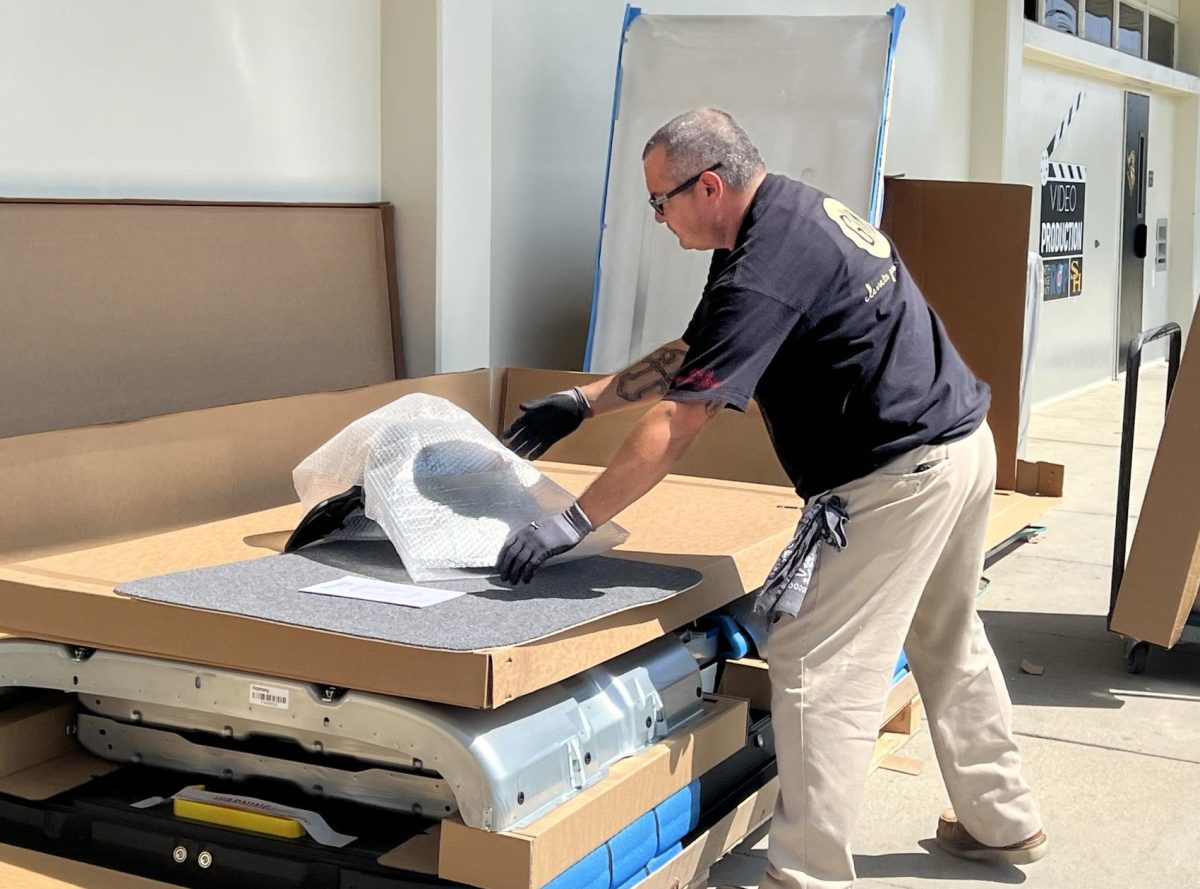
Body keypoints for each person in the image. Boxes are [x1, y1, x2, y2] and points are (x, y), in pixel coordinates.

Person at [497, 108, 1046, 887]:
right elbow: (697, 355)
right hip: (958, 446)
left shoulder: (763, 266)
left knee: (815, 665)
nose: (657, 218)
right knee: (947, 636)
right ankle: (1004, 818)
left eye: (661, 201)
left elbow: (678, 422)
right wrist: (583, 401)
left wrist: (573, 520)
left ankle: (805, 874)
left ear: (710, 185)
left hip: (898, 480)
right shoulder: (783, 214)